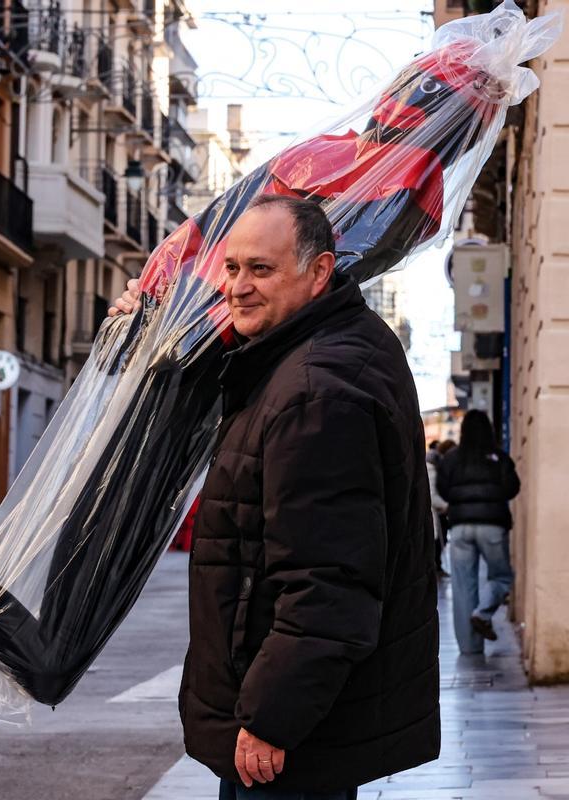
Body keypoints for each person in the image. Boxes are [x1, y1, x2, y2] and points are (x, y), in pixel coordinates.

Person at [111, 195, 439, 798]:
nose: (237, 287)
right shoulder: (310, 355)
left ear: (319, 272)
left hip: (284, 740)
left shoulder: (317, 390)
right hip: (295, 726)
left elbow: (328, 582)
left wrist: (271, 719)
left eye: (261, 269)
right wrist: (150, 330)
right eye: (231, 268)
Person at [434, 410, 521, 654]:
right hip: (492, 527)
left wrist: (460, 502)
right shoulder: (498, 458)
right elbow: (512, 488)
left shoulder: (451, 459)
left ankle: (470, 648)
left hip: (460, 527)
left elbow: (443, 489)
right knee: (501, 577)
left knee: (463, 587)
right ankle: (483, 613)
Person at [425, 439, 457, 577]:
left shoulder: (433, 463)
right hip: (434, 512)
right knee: (436, 541)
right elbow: (431, 494)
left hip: (435, 512)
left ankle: (436, 567)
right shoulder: (432, 467)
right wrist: (446, 505)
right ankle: (435, 568)